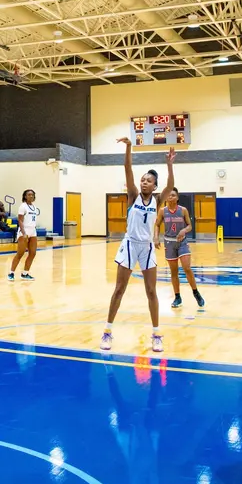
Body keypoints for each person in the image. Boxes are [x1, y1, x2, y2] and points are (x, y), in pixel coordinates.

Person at [101, 138, 163, 354]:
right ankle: (107, 331)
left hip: (146, 247)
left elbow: (171, 183)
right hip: (129, 244)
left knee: (151, 292)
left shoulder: (158, 200)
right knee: (119, 289)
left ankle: (156, 335)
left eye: (149, 181)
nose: (145, 182)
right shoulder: (133, 196)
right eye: (143, 179)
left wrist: (171, 165)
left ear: (155, 186)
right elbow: (127, 167)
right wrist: (129, 147)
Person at [157, 148, 204, 309]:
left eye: (173, 195)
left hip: (182, 242)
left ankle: (196, 292)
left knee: (187, 268)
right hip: (169, 243)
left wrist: (184, 230)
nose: (170, 197)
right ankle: (177, 297)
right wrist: (155, 237)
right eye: (168, 195)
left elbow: (190, 225)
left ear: (177, 197)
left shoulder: (183, 210)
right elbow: (157, 225)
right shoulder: (162, 211)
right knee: (174, 272)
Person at [8, 190, 39, 281]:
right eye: (29, 195)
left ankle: (25, 273)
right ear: (25, 196)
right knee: (20, 253)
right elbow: (20, 220)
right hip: (24, 231)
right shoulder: (23, 206)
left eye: (32, 195)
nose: (31, 196)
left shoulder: (34, 207)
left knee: (32, 253)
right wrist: (24, 233)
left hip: (33, 231)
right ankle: (11, 273)